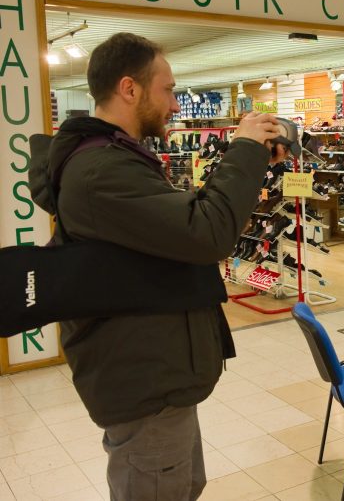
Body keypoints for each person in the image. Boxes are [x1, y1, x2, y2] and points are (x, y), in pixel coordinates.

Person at [29, 33, 288, 500]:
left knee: (184, 485)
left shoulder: (114, 158)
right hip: (144, 380)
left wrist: (250, 169)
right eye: (167, 90)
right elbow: (206, 233)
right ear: (130, 89)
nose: (174, 104)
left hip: (155, 370)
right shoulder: (103, 169)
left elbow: (182, 231)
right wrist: (245, 150)